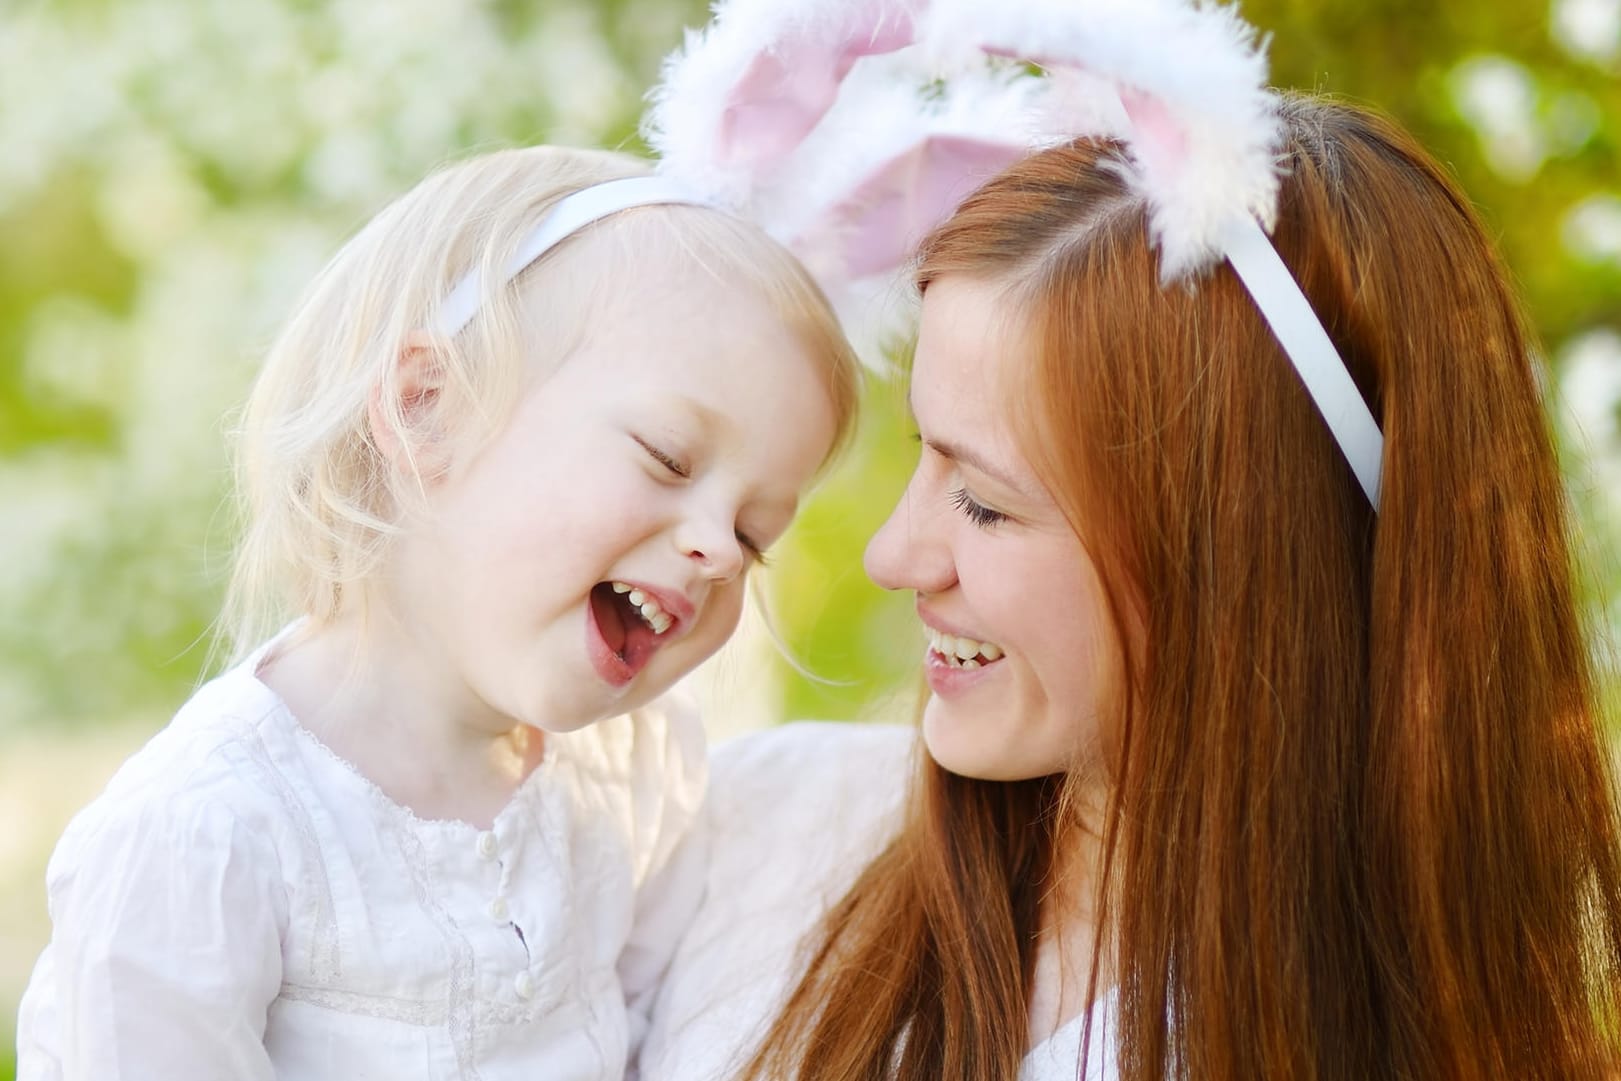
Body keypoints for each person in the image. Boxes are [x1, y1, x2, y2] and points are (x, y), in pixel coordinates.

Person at [635, 17, 1621, 1081]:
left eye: (986, 503)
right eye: (923, 453)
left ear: (1241, 565)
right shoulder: (747, 832)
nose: (892, 554)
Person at [15, 144, 860, 1079]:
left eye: (754, 530)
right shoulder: (208, 835)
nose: (716, 548)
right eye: (666, 456)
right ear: (426, 407)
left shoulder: (631, 776)